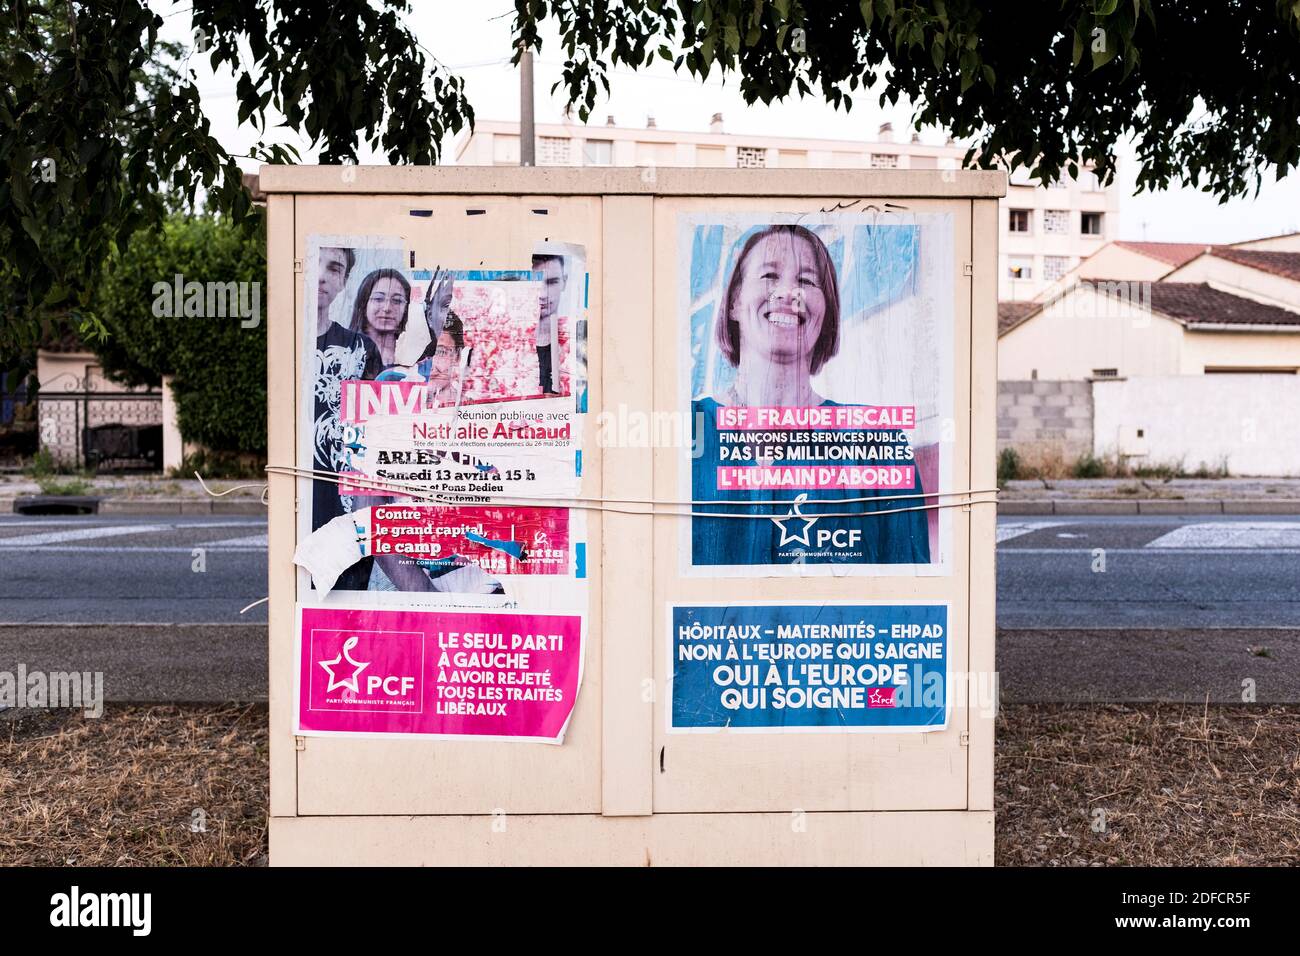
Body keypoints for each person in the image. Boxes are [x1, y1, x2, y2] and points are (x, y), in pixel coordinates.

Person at [690, 223, 930, 566]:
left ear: (827, 310)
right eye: (770, 275)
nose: (789, 292)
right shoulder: (686, 431)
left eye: (806, 280)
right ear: (734, 303)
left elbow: (911, 596)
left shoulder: (877, 444)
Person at [348, 268, 412, 369]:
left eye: (397, 301)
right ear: (363, 304)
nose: (387, 308)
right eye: (378, 299)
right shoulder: (345, 352)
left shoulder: (416, 357)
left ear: (407, 308)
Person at [532, 254, 566, 396]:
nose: (543, 294)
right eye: (536, 283)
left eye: (552, 282)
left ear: (564, 282)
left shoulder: (571, 346)